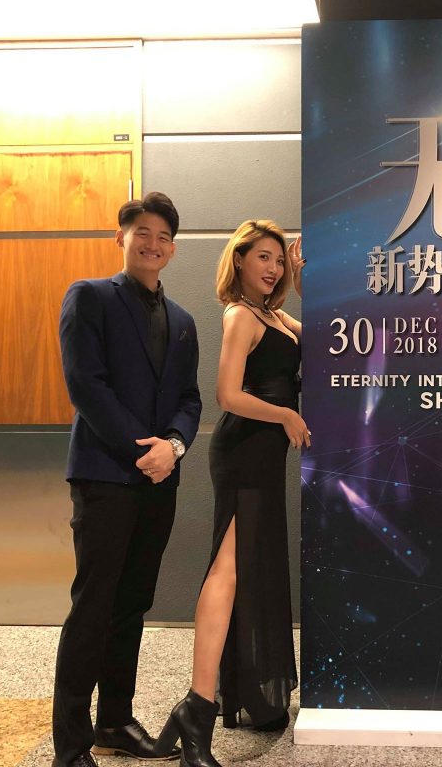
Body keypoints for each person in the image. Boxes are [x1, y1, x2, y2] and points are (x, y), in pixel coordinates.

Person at [52, 192, 202, 767]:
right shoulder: (90, 297)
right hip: (106, 476)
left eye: (164, 237)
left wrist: (174, 446)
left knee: (133, 603)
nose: (153, 244)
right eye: (143, 233)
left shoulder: (183, 321)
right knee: (93, 606)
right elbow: (86, 385)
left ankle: (114, 720)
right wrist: (145, 450)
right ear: (121, 237)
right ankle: (70, 746)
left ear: (173, 249)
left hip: (159, 480)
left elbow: (188, 399)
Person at [155, 220, 305, 767]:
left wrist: (302, 287)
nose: (273, 268)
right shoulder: (240, 315)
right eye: (263, 257)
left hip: (264, 454)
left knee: (249, 568)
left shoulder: (275, 316)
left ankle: (220, 700)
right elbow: (227, 394)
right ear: (239, 260)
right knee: (229, 569)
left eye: (279, 260)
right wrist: (286, 415)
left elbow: (325, 342)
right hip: (244, 451)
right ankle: (197, 705)